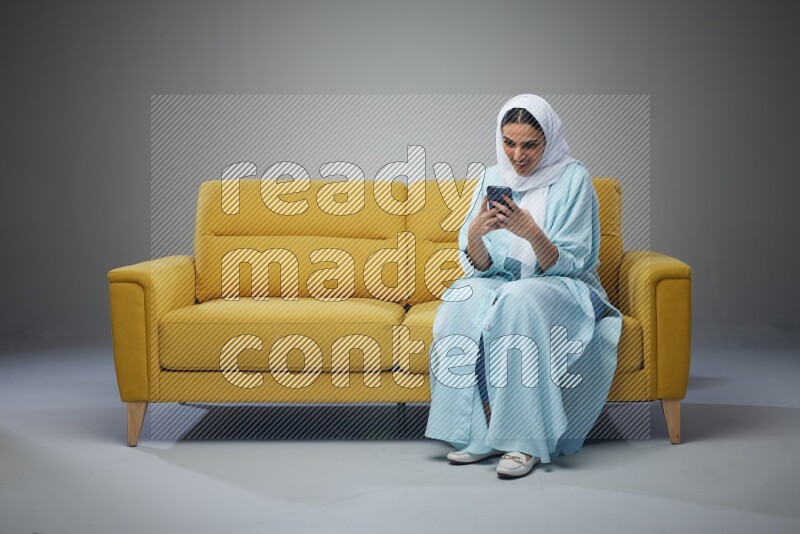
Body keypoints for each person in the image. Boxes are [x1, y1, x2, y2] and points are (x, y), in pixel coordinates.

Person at [424, 94, 623, 479]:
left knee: (518, 300)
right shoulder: (491, 177)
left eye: (530, 144)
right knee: (461, 301)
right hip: (501, 280)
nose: (518, 155)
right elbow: (480, 266)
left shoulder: (574, 178)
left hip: (562, 285)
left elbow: (574, 261)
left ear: (548, 139)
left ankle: (523, 442)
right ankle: (474, 435)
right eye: (509, 143)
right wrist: (476, 233)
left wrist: (532, 234)